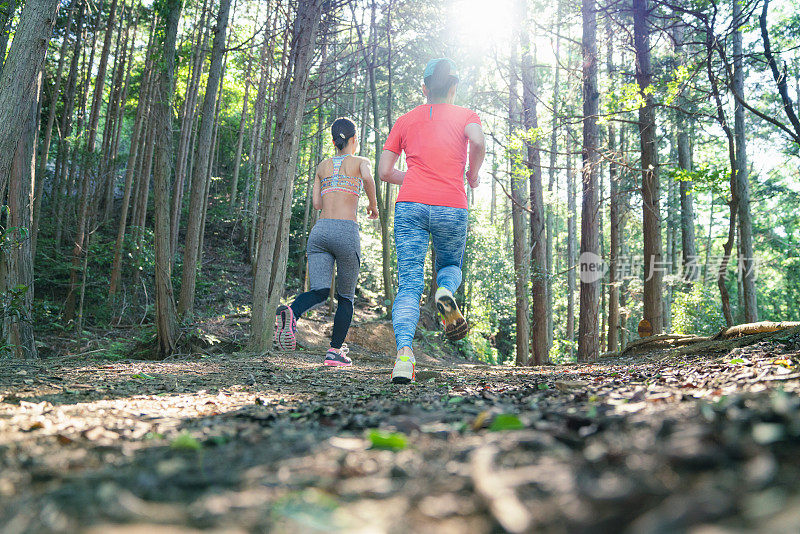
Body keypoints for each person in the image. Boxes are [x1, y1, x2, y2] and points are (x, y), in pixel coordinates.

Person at [378, 58, 486, 384]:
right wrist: (472, 173)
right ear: (453, 87)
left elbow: (384, 171)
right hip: (451, 205)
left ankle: (404, 358)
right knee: (450, 265)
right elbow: (478, 143)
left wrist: (411, 178)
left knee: (409, 285)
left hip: (410, 204)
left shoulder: (405, 120)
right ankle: (444, 291)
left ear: (424, 88)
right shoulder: (467, 115)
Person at [275, 117, 379, 367]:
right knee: (345, 297)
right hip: (345, 232)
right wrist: (373, 206)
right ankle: (334, 352)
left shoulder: (322, 166)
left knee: (320, 291)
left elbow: (317, 204)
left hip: (320, 232)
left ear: (334, 141)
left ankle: (293, 311)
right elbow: (368, 178)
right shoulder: (361, 161)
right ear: (354, 140)